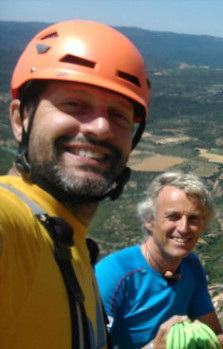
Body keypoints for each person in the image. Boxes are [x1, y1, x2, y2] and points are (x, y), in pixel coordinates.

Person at [0, 20, 150, 349]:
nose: (98, 127)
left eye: (119, 115)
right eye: (74, 105)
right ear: (19, 119)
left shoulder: (72, 247)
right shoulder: (11, 225)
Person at [95, 172, 223, 349]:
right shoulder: (113, 274)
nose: (183, 228)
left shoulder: (191, 267)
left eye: (193, 219)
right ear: (150, 221)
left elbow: (219, 336)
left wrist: (198, 340)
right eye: (173, 216)